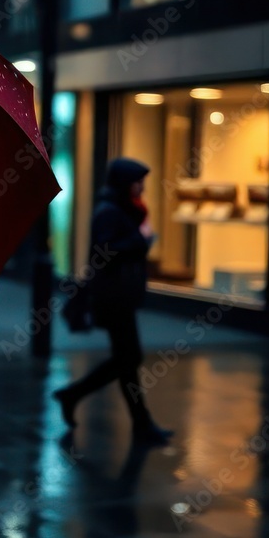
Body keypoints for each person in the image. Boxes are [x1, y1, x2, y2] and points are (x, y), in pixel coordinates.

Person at [53, 157, 173, 445]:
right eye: (137, 181)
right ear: (124, 182)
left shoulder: (122, 209)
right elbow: (105, 252)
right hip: (112, 297)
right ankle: (73, 395)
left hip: (121, 296)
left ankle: (140, 424)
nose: (141, 186)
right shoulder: (109, 211)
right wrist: (141, 241)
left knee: (127, 361)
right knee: (129, 359)